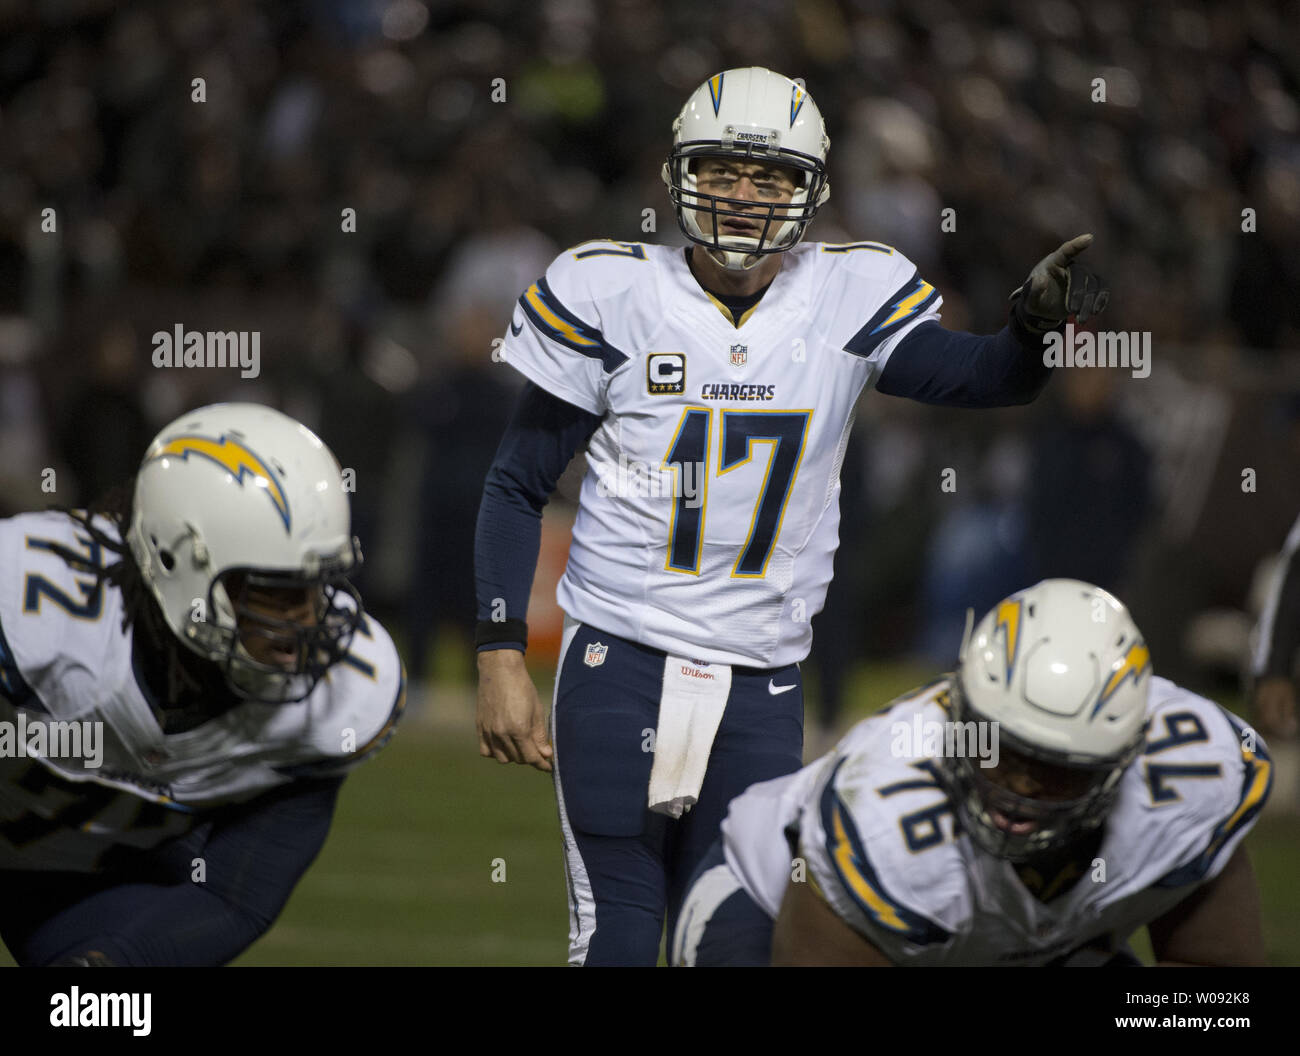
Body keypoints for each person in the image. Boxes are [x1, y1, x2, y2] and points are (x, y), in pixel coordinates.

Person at [474, 67, 1108, 966]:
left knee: (735, 943)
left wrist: (1034, 331)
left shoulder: (848, 294)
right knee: (614, 935)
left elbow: (987, 379)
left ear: (809, 189)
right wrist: (500, 652)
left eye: (769, 177)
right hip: (622, 658)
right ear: (679, 173)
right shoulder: (609, 291)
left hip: (762, 682)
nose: (742, 193)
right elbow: (513, 485)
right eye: (724, 169)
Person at [672, 579, 1271, 967]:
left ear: (1124, 760)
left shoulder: (1192, 781)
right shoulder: (883, 818)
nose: (1020, 794)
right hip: (770, 903)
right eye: (1001, 753)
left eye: (1057, 772)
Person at [0, 403, 405, 966]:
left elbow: (235, 896)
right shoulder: (33, 604)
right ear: (177, 564)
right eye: (278, 593)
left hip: (88, 885)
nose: (310, 621)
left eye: (318, 589)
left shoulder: (337, 696)